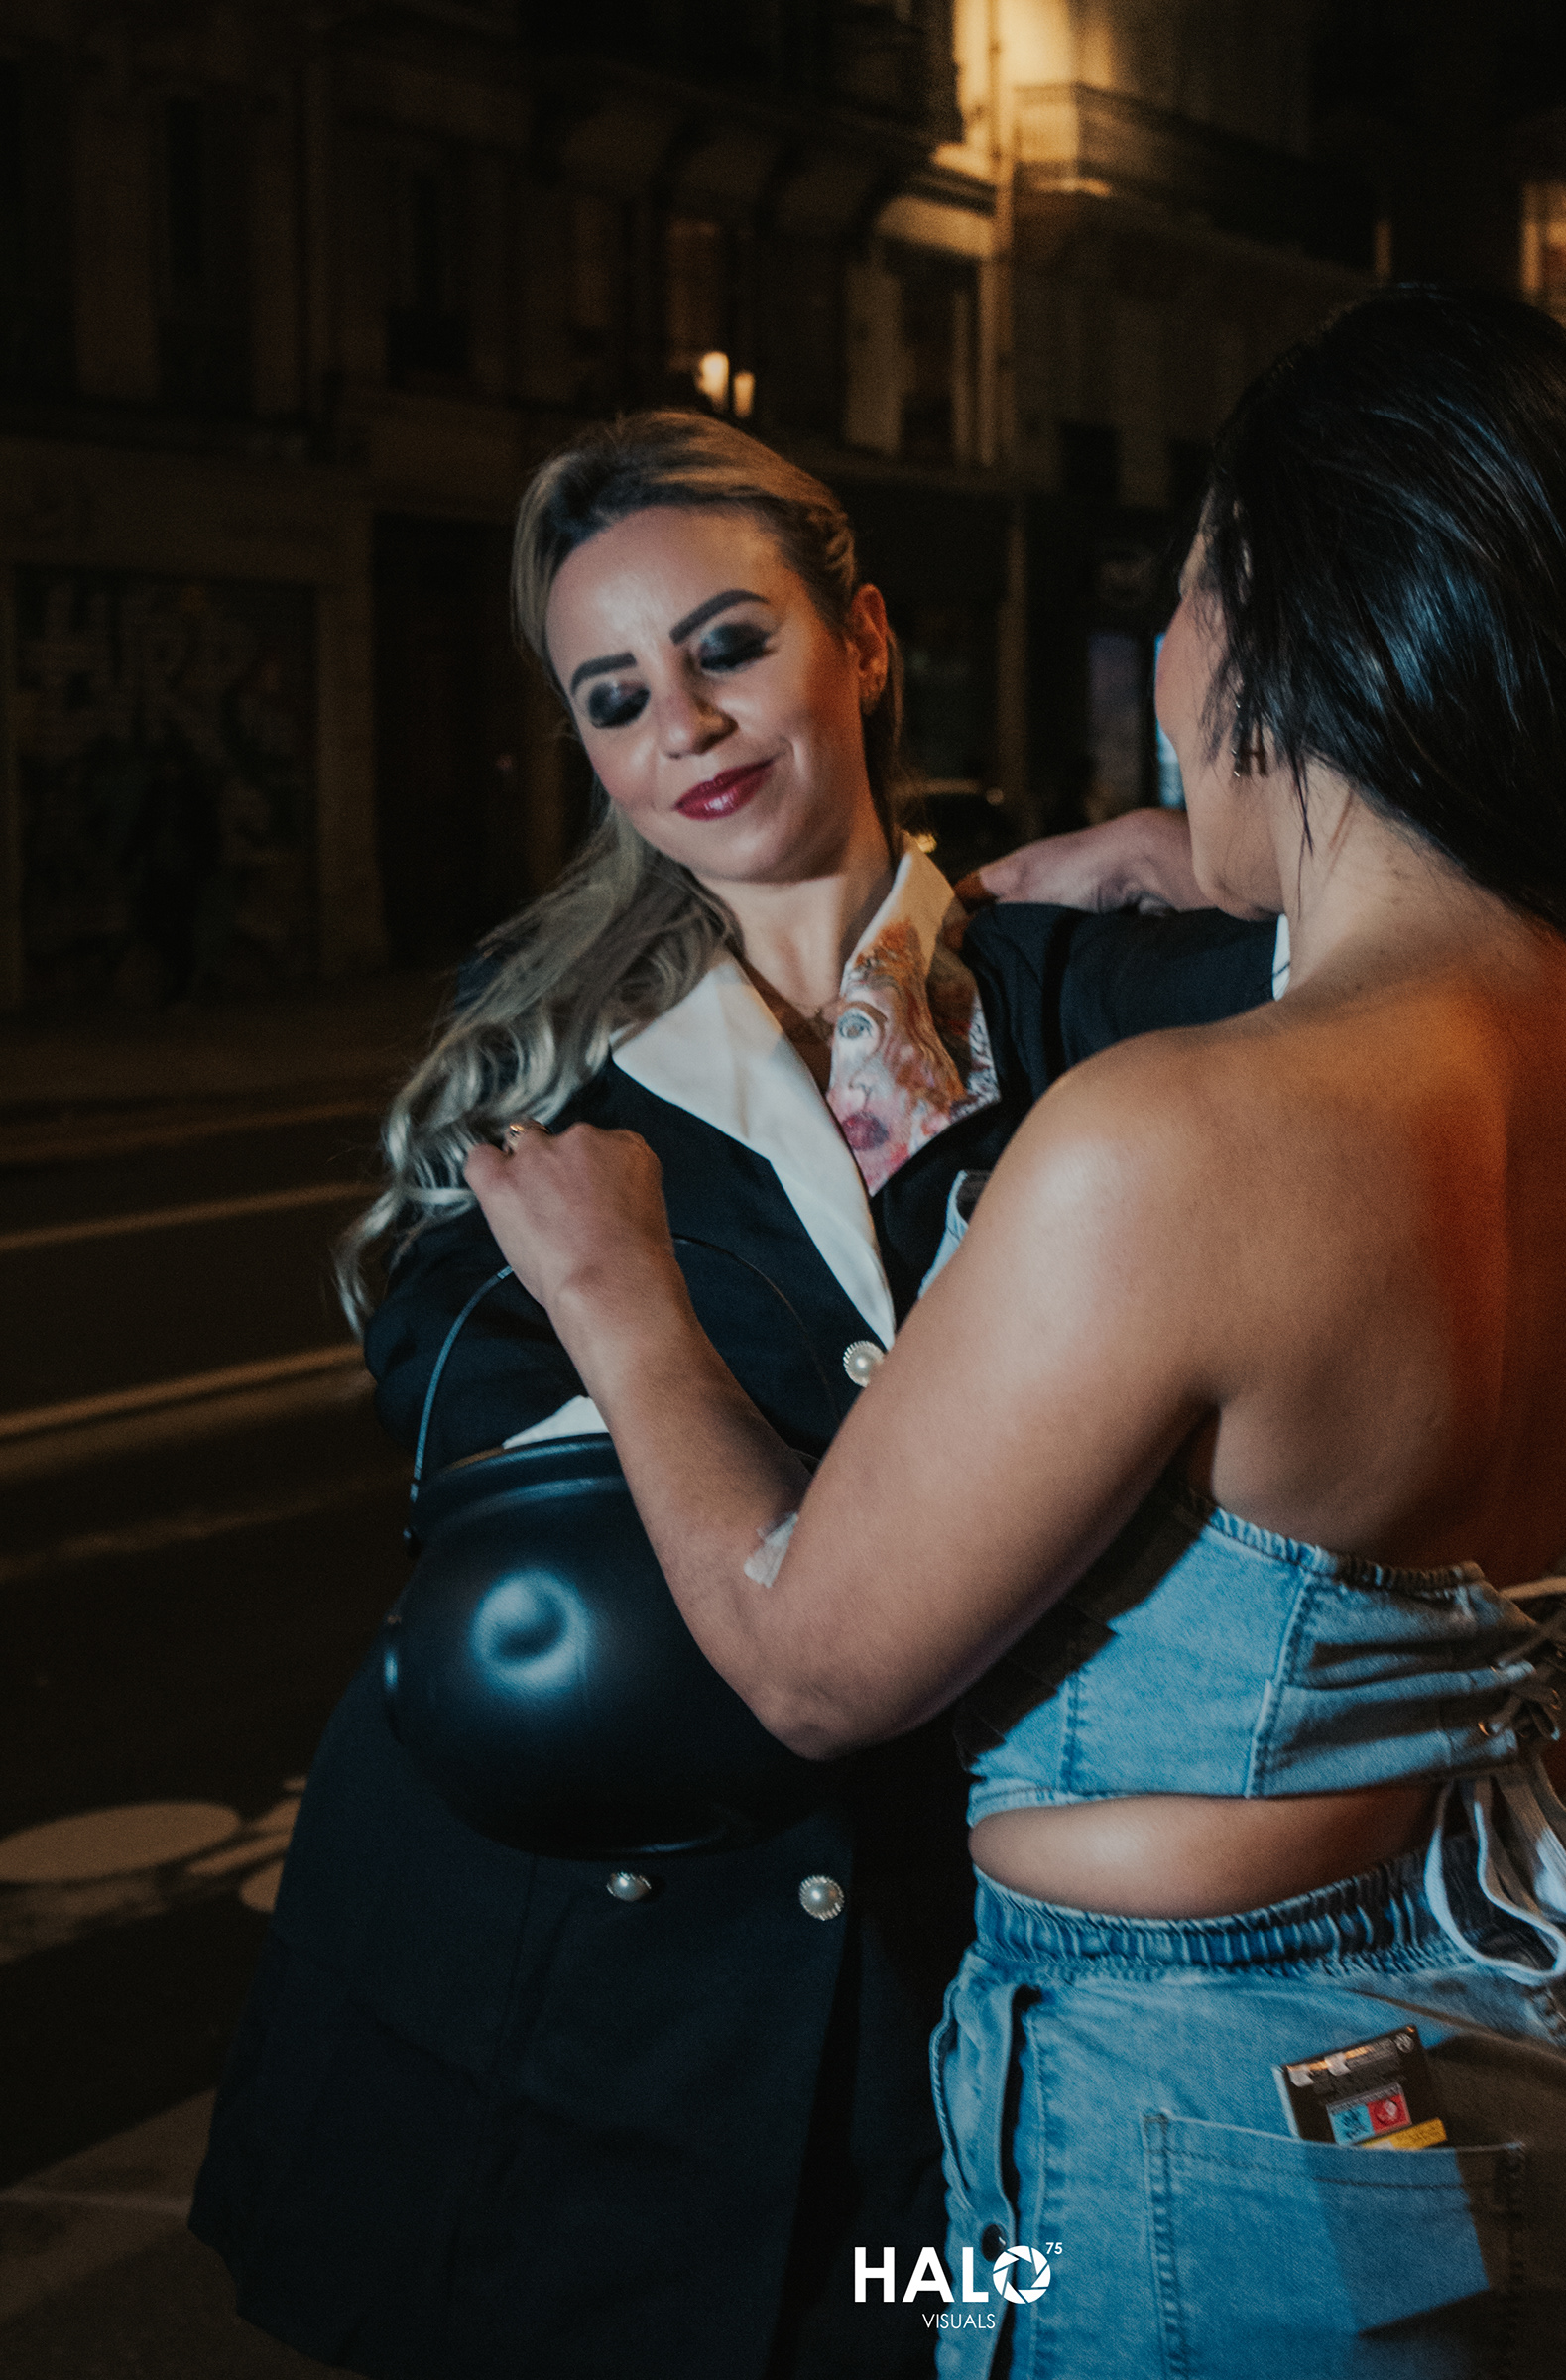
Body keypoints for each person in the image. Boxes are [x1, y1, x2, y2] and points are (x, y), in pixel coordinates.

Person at [465, 291, 1566, 2380]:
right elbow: (1507, 929)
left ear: (1268, 634)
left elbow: (813, 1662)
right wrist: (1227, 859)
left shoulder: (1170, 1141)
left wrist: (619, 1302)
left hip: (1283, 2141)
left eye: (1189, 593)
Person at [188, 411, 1293, 2380]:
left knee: (909, 2328)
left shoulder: (1087, 985)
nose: (681, 724)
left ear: (862, 640)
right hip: (573, 2009)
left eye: (728, 646)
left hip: (926, 2007)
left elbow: (1519, 953)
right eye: (615, 697)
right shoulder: (539, 1054)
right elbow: (466, 1423)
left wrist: (1231, 864)